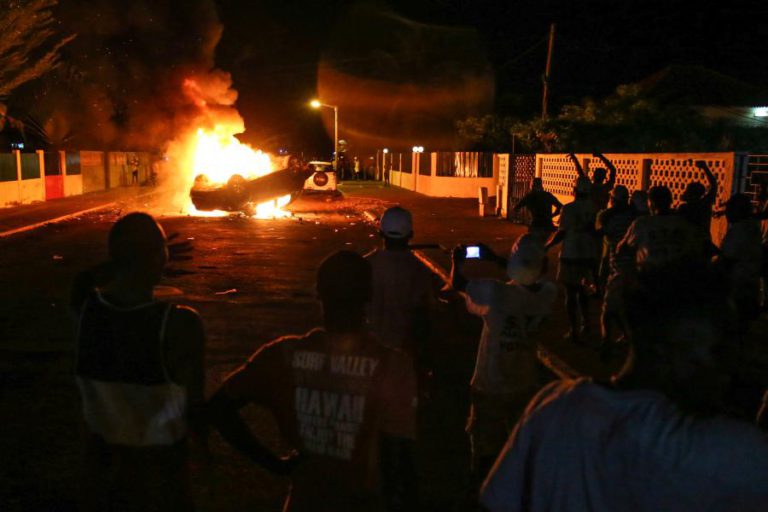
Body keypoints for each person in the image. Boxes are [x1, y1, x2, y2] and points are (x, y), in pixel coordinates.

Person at [480, 267, 768, 511]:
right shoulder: (730, 451)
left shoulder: (553, 406)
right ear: (669, 345)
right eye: (719, 349)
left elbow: (497, 501)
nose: (732, 365)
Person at [207, 251, 419, 511]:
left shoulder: (283, 356)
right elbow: (399, 461)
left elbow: (218, 408)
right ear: (368, 296)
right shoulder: (391, 367)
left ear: (319, 293)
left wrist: (274, 463)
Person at [72, 212, 205, 512]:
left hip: (100, 476)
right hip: (157, 480)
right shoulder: (179, 323)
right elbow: (195, 406)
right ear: (159, 257)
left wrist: (128, 259)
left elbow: (82, 280)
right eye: (161, 248)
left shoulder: (86, 310)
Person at [450, 235, 557, 482]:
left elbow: (459, 283)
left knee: (485, 447)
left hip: (490, 383)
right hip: (523, 383)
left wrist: (461, 259)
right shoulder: (549, 294)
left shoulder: (494, 293)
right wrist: (502, 262)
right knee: (519, 444)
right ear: (543, 267)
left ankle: (483, 489)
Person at [365, 207, 434, 377]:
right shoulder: (418, 270)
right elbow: (426, 311)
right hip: (402, 354)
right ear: (410, 235)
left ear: (381, 233)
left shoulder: (366, 265)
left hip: (368, 350)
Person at [545, 176, 597, 344]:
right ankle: (587, 325)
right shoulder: (594, 208)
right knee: (583, 292)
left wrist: (547, 246)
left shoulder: (568, 209)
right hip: (588, 254)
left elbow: (561, 232)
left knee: (571, 293)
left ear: (574, 190)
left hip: (571, 254)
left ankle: (573, 330)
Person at [616, 185, 704, 273]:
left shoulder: (642, 224)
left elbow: (621, 249)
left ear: (650, 203)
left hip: (648, 278)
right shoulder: (683, 223)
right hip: (678, 277)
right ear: (670, 201)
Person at [594, 185, 635, 357]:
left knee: (608, 309)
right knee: (624, 306)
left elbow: (601, 234)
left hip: (617, 267)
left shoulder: (610, 217)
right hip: (635, 269)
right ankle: (627, 338)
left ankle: (606, 342)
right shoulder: (635, 218)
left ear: (614, 200)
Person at [716, 193, 762, 339]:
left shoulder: (739, 231)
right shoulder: (751, 227)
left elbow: (728, 260)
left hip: (737, 286)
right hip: (749, 284)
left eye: (729, 209)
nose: (726, 213)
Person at [511, 178, 563, 243]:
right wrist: (552, 215)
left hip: (536, 224)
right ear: (541, 186)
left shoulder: (529, 196)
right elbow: (560, 207)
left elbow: (516, 208)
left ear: (532, 186)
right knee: (542, 244)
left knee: (534, 245)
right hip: (547, 224)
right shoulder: (548, 195)